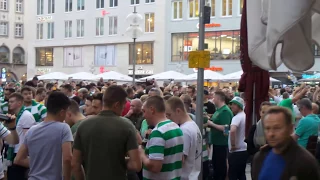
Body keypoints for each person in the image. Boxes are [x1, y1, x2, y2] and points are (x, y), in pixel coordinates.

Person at [72, 85, 141, 179]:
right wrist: (118, 160)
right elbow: (136, 165)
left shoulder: (83, 125)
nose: (125, 107)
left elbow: (75, 164)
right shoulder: (126, 125)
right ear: (117, 105)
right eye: (124, 104)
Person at [14, 92, 73, 180]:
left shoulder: (32, 130)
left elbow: (18, 159)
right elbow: (68, 158)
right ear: (62, 112)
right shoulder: (64, 128)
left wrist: (40, 164)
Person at [252, 106, 320, 179]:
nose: (271, 134)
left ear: (290, 129)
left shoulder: (305, 162)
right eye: (267, 128)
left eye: (277, 128)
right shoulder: (259, 158)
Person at [140, 96, 184, 180]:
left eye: (144, 111)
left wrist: (141, 153)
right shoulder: (176, 127)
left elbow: (155, 167)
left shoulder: (158, 132)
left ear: (152, 110)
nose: (143, 115)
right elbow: (181, 159)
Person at [166, 97, 202, 180]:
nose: (168, 118)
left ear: (178, 111)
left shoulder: (184, 130)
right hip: (193, 175)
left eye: (169, 115)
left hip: (185, 176)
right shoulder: (193, 125)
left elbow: (180, 160)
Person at [7, 93, 36, 180]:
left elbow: (29, 138)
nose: (9, 103)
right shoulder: (17, 115)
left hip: (20, 153)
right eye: (9, 102)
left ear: (19, 103)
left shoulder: (26, 115)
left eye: (12, 101)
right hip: (14, 151)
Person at [206, 91, 233, 180]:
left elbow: (225, 128)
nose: (213, 100)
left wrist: (211, 123)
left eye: (214, 98)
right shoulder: (219, 110)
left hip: (221, 143)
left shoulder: (225, 111)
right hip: (216, 142)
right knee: (216, 165)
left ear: (218, 99)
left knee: (220, 166)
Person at [228, 97, 248, 180]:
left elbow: (233, 131)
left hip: (236, 150)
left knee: (233, 175)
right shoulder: (245, 116)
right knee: (241, 174)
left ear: (238, 106)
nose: (231, 106)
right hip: (244, 149)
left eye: (233, 104)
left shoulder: (236, 117)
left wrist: (233, 145)